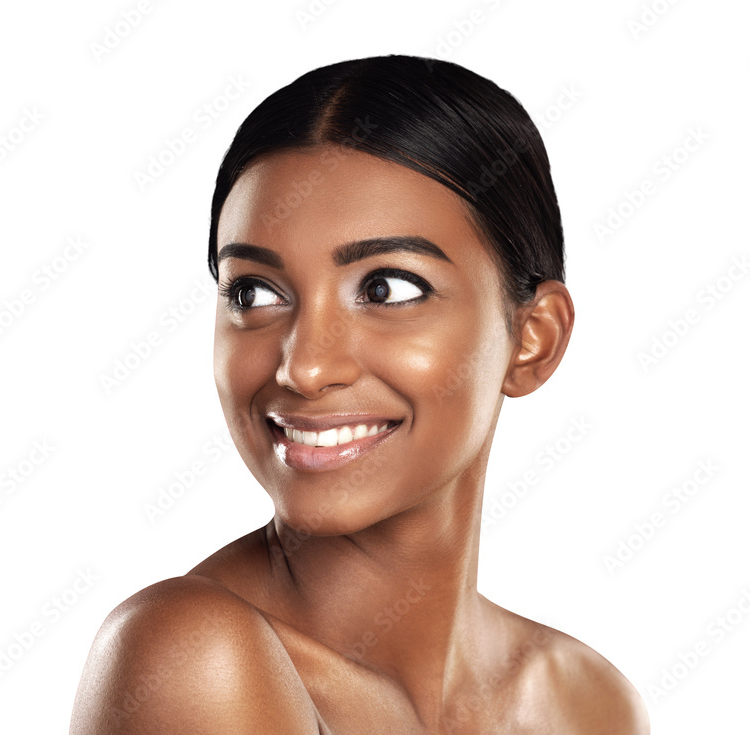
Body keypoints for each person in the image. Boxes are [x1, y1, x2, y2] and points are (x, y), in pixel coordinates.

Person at [70, 54, 649, 734]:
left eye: (386, 288)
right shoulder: (193, 656)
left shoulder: (589, 702)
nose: (305, 368)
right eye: (253, 292)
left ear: (533, 338)